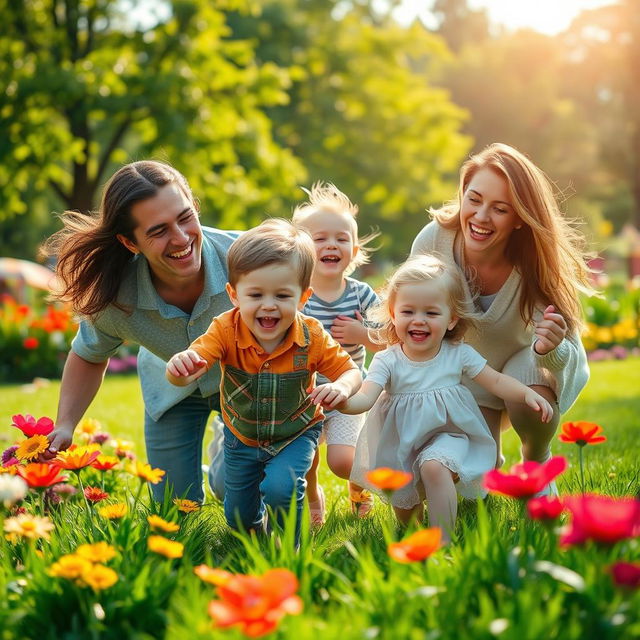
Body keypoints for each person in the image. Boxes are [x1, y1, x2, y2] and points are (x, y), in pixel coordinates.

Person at [39, 160, 236, 503]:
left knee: (236, 488)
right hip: (170, 389)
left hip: (242, 387)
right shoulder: (117, 299)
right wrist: (66, 424)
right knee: (175, 506)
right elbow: (88, 355)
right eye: (158, 231)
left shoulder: (247, 259)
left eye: (185, 217)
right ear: (130, 243)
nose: (181, 238)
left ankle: (226, 449)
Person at [165, 219, 361, 541]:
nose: (268, 305)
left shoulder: (311, 335)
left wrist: (341, 386)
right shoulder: (225, 329)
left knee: (281, 488)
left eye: (282, 295)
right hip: (242, 435)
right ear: (234, 295)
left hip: (295, 431)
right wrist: (179, 367)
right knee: (238, 517)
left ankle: (289, 550)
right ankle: (257, 534)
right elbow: (188, 367)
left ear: (302, 297)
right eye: (255, 294)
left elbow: (349, 370)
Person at [341, 256, 553, 542]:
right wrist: (343, 401)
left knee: (434, 466)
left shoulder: (457, 354)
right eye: (408, 311)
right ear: (393, 314)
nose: (419, 320)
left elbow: (496, 380)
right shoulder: (387, 360)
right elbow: (365, 397)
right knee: (407, 506)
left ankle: (444, 539)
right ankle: (417, 537)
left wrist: (526, 392)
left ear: (451, 319)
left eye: (431, 313)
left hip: (450, 434)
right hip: (401, 441)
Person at [411, 143, 593, 473]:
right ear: (463, 194)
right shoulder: (433, 241)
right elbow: (409, 321)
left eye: (500, 209)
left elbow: (567, 359)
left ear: (520, 218)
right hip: (458, 379)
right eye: (474, 199)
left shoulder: (535, 267)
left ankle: (537, 463)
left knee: (530, 376)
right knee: (468, 485)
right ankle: (487, 455)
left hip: (518, 378)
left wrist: (548, 348)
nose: (481, 217)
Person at [292, 182, 381, 524]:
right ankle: (314, 502)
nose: (331, 244)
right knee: (307, 461)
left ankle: (359, 490)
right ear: (301, 248)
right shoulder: (297, 295)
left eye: (341, 239)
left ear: (354, 251)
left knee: (343, 460)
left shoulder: (360, 295)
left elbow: (391, 338)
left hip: (348, 393)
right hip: (304, 395)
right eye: (320, 238)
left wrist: (363, 335)